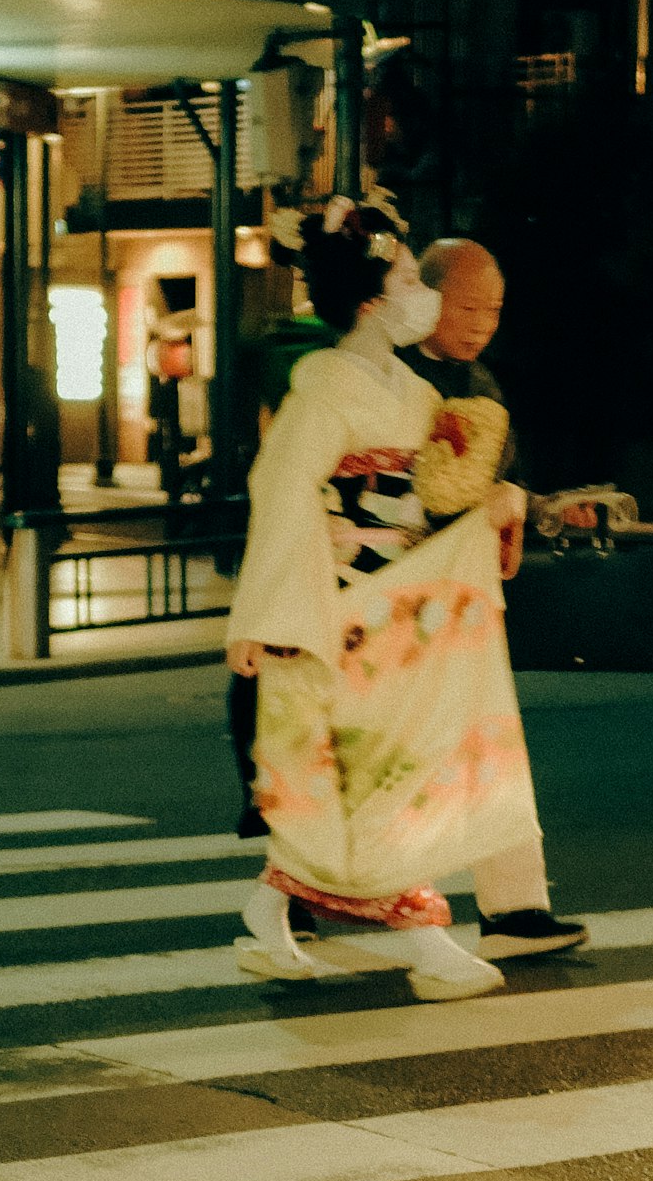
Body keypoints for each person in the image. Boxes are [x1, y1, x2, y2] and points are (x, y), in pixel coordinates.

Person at [223, 192, 534, 999]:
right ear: (371, 296)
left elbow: (438, 495)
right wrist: (271, 615)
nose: (420, 294)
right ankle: (424, 940)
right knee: (382, 775)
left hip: (395, 606)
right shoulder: (325, 383)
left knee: (376, 773)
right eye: (406, 276)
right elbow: (282, 488)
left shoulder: (409, 390)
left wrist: (497, 504)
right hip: (337, 607)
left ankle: (268, 915)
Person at [415, 236, 585, 958]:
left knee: (486, 750)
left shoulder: (479, 381)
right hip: (402, 593)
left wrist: (541, 508)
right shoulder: (385, 380)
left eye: (494, 309)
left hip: (464, 594)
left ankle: (516, 907)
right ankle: (297, 890)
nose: (483, 322)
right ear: (423, 299)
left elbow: (483, 483)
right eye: (468, 306)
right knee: (386, 754)